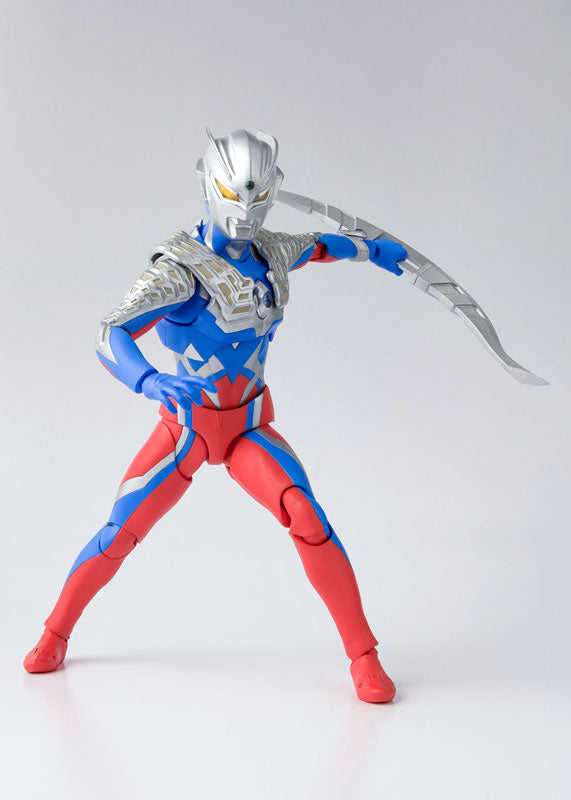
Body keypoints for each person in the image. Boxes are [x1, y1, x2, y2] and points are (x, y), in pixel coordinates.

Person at [24, 128, 407, 703]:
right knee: (119, 532)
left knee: (306, 513)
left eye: (258, 200)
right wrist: (149, 379)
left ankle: (364, 656)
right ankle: (55, 633)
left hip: (249, 427)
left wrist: (371, 250)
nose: (246, 216)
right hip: (187, 428)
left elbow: (318, 245)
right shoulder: (180, 270)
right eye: (235, 199)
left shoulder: (271, 252)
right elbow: (112, 332)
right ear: (209, 186)